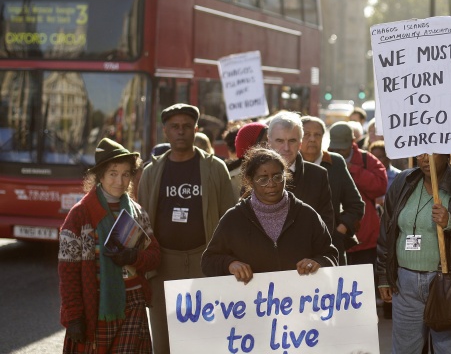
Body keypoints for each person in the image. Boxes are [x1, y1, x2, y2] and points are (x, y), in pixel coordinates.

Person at [137, 103, 236, 354]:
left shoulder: (215, 168)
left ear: (195, 129)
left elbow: (229, 218)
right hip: (163, 265)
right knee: (164, 339)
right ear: (165, 132)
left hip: (205, 263)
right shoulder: (151, 172)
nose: (180, 131)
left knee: (204, 339)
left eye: (186, 126)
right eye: (174, 127)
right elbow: (142, 220)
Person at [377, 152, 451, 354]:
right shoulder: (404, 180)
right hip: (405, 283)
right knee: (404, 350)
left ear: (448, 154)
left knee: (450, 350)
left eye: (431, 153)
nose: (424, 159)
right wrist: (385, 276)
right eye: (420, 153)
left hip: (448, 283)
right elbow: (387, 231)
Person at [59, 138, 160, 353]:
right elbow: (68, 272)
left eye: (126, 174)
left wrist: (133, 258)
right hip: (95, 306)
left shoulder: (137, 212)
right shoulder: (79, 215)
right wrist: (74, 316)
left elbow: (155, 255)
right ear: (100, 176)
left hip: (133, 304)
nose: (120, 181)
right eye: (113, 173)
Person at [201, 147, 338, 280]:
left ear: (285, 176)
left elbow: (330, 256)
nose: (271, 184)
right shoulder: (234, 219)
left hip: (300, 299)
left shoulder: (307, 215)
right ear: (250, 181)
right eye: (263, 179)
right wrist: (229, 264)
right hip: (252, 301)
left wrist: (319, 262)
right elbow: (208, 261)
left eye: (277, 177)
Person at [300, 116, 364, 266]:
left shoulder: (335, 162)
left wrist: (339, 231)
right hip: (298, 250)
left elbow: (356, 206)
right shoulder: (288, 164)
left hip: (332, 248)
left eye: (317, 135)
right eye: (306, 134)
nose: (312, 139)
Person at [328, 122, 387, 265]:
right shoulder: (324, 159)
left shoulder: (367, 160)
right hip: (335, 237)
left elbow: (380, 187)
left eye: (342, 148)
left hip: (365, 241)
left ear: (352, 142)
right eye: (335, 148)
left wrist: (351, 169)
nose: (338, 151)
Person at [267, 111, 335, 233]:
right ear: (269, 142)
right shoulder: (254, 174)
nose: (286, 148)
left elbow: (326, 223)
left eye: (292, 141)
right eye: (280, 141)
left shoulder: (318, 176)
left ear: (300, 143)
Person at [229, 122, 268, 199]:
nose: (270, 145)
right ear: (250, 145)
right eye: (265, 142)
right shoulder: (230, 178)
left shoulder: (278, 172)